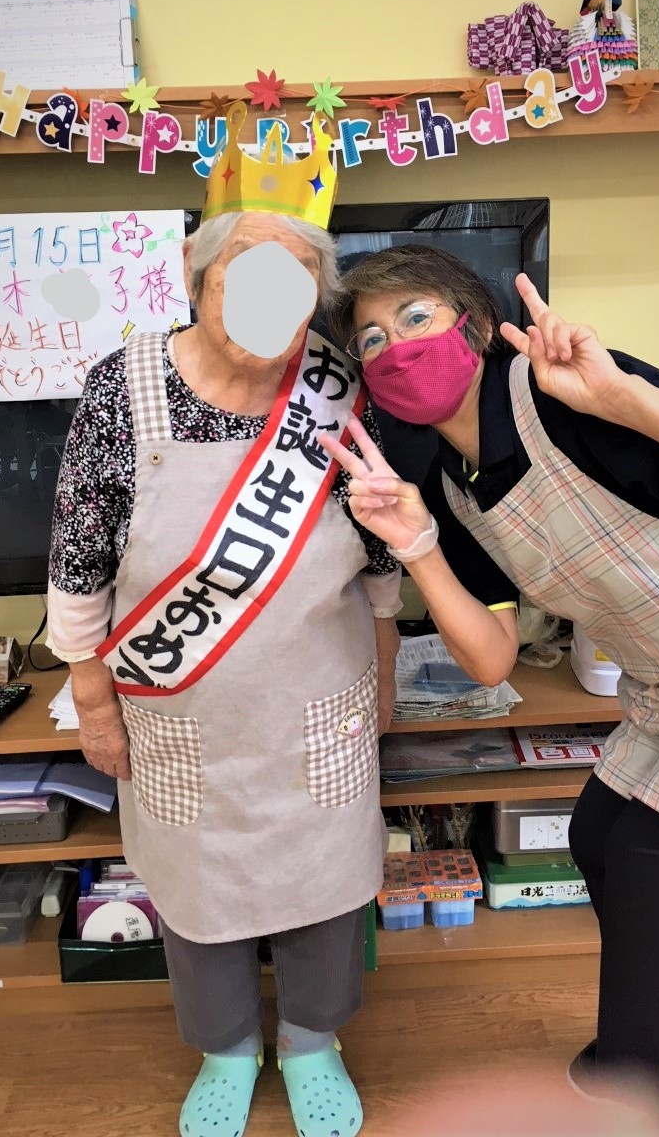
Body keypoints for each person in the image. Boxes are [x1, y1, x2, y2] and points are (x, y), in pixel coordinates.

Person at [320, 244, 659, 1137]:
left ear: (475, 324)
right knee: (603, 835)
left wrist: (625, 399)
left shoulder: (565, 389)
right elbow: (491, 660)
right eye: (373, 340)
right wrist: (417, 543)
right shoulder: (448, 488)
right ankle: (643, 1061)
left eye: (417, 316)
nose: (396, 347)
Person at [47, 104, 401, 1137]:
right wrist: (91, 698)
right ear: (194, 280)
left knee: (327, 881)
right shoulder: (124, 385)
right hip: (179, 708)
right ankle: (227, 1050)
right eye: (241, 279)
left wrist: (386, 662)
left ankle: (314, 1042)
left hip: (319, 694)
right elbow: (77, 551)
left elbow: (381, 547)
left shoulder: (338, 387)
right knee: (196, 892)